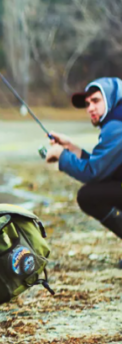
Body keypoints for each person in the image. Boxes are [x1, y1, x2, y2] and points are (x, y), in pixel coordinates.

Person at [44, 77, 122, 240]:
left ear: (111, 99)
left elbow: (93, 173)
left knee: (88, 196)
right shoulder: (117, 119)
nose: (90, 108)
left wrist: (61, 155)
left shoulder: (116, 125)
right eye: (87, 104)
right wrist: (72, 148)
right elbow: (104, 164)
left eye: (96, 101)